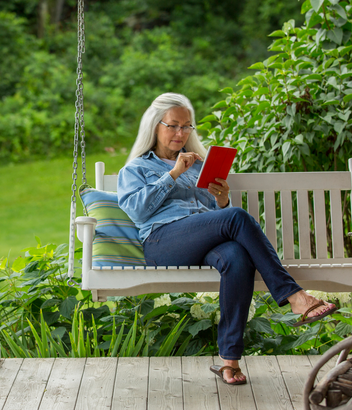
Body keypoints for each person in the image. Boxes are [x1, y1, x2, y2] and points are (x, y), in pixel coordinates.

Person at [116, 93, 336, 385]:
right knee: (236, 217)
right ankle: (295, 296)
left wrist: (220, 201)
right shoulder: (136, 169)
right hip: (163, 242)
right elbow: (137, 210)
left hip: (199, 240)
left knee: (236, 257)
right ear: (155, 126)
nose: (181, 133)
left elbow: (210, 218)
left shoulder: (198, 166)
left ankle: (229, 361)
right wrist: (172, 174)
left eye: (187, 126)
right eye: (173, 125)